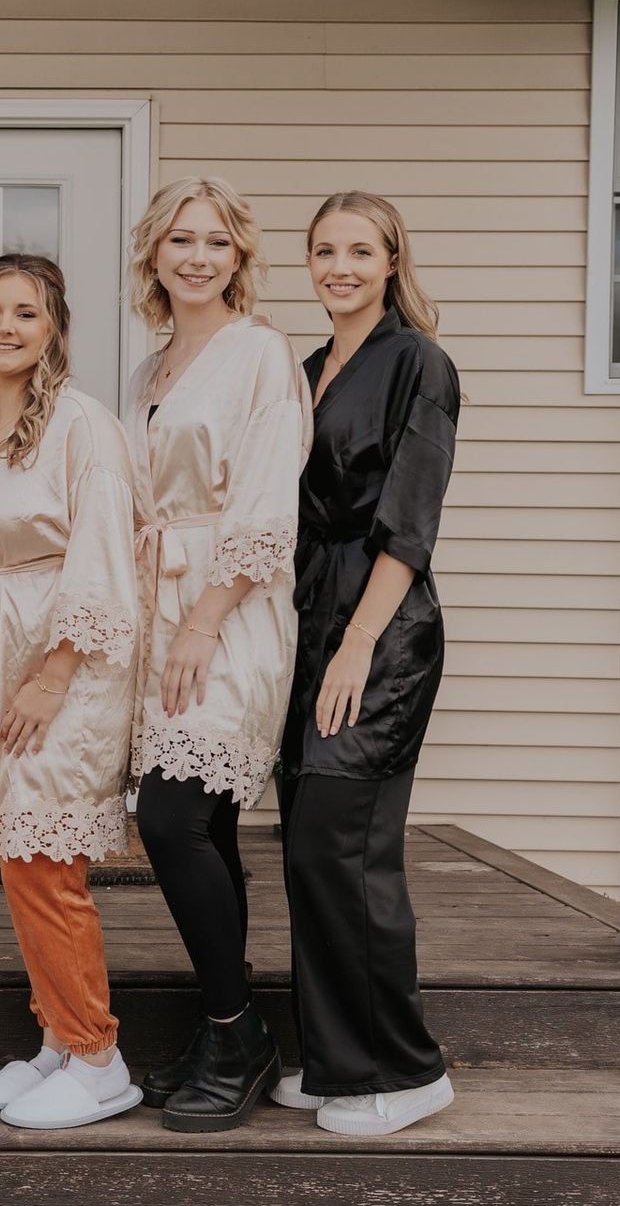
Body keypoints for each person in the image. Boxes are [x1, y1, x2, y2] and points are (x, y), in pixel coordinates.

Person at [0, 255, 143, 1130]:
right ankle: (57, 1039)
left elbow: (101, 554)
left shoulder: (82, 424)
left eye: (25, 313)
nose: (4, 326)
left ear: (54, 329)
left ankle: (99, 1056)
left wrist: (54, 674)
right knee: (20, 859)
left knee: (47, 862)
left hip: (61, 661)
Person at [124, 177, 311, 1133]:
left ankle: (238, 1028)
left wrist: (204, 618)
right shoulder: (153, 367)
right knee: (213, 829)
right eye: (180, 241)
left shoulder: (260, 354)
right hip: (163, 609)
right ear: (153, 253)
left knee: (171, 820)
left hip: (229, 609)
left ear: (240, 259)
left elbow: (267, 508)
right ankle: (224, 1030)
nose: (198, 257)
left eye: (217, 244)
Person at [273, 191, 458, 1137]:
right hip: (303, 624)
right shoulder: (306, 368)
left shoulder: (418, 363)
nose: (338, 266)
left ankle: (405, 1068)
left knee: (346, 851)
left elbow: (410, 521)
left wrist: (356, 644)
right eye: (322, 251)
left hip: (377, 633)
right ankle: (333, 1057)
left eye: (358, 250)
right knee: (307, 851)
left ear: (391, 262)